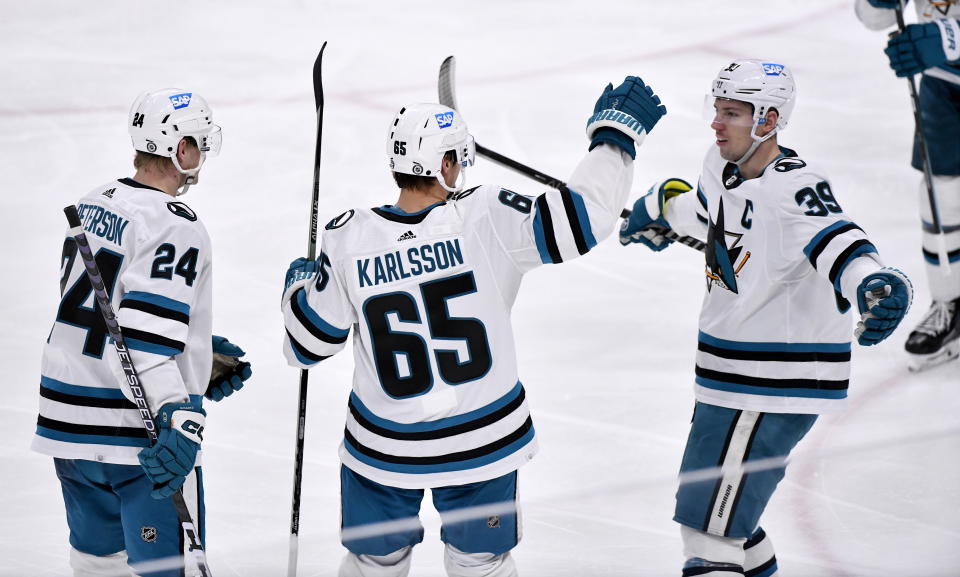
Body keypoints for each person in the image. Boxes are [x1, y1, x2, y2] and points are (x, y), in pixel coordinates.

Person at [281, 77, 666, 576]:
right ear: (443, 164)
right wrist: (614, 139)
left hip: (385, 447)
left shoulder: (349, 235)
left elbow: (308, 344)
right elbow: (581, 222)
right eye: (458, 160)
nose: (462, 170)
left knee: (374, 564)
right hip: (482, 443)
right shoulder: (485, 215)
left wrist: (296, 290)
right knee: (480, 565)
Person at [620, 59, 913, 576]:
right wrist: (667, 208)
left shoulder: (795, 186)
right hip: (730, 374)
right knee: (728, 520)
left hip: (771, 380)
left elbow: (840, 243)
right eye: (716, 110)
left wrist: (872, 282)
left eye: (731, 113)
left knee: (709, 533)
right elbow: (717, 217)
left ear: (769, 120)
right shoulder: (718, 164)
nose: (716, 123)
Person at [32, 88, 253, 577]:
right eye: (198, 142)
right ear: (179, 149)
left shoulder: (92, 203)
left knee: (96, 565)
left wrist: (192, 355)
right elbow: (144, 345)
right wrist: (178, 411)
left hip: (69, 429)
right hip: (138, 438)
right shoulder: (176, 225)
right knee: (167, 570)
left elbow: (101, 311)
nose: (203, 155)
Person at [856, 0, 960, 371]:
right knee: (940, 196)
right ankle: (948, 303)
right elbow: (875, 18)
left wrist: (949, 39)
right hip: (943, 85)